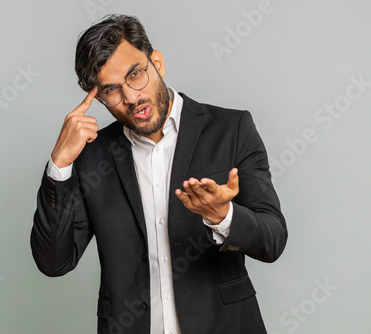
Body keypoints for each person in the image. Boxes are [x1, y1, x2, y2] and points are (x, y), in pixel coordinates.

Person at [31, 14, 287, 334]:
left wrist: (224, 216)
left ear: (157, 63)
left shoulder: (231, 129)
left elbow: (273, 239)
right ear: (97, 96)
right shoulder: (91, 158)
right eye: (111, 89)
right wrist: (59, 165)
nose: (131, 97)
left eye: (136, 74)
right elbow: (54, 262)